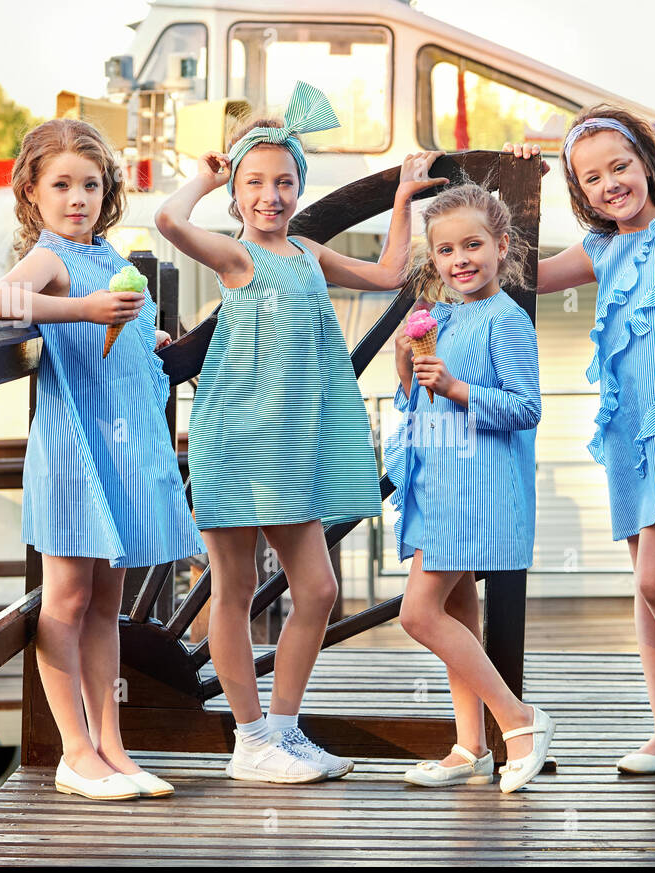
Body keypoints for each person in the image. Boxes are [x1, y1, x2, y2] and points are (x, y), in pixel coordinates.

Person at [155, 81, 447, 783]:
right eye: (255, 182)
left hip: (295, 443)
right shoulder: (236, 258)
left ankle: (282, 730)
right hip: (235, 434)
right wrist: (205, 175)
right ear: (237, 192)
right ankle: (250, 740)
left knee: (314, 589)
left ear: (299, 185)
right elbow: (167, 222)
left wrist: (404, 204)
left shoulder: (309, 254)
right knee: (231, 587)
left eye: (283, 181)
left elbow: (385, 274)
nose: (270, 195)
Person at [0, 118, 204, 800]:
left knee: (108, 605)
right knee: (68, 599)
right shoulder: (52, 258)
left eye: (90, 184)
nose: (77, 197)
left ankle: (113, 746)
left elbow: (118, 330)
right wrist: (82, 309)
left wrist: (149, 333)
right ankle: (74, 753)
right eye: (61, 185)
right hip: (75, 447)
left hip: (123, 442)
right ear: (33, 191)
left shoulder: (112, 257)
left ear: (106, 191)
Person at [505, 107, 655, 774]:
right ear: (580, 190)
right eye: (592, 177)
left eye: (620, 167)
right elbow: (525, 274)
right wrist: (519, 187)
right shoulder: (602, 248)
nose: (610, 184)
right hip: (625, 430)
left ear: (646, 165)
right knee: (645, 585)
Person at [387, 182, 554, 794]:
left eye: (473, 245)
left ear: (501, 245)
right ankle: (470, 746)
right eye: (446, 249)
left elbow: (526, 408)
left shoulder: (506, 318)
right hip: (437, 482)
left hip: (476, 488)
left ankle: (520, 720)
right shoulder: (445, 315)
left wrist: (458, 389)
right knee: (457, 609)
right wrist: (407, 365)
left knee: (418, 613)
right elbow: (418, 400)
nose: (460, 259)